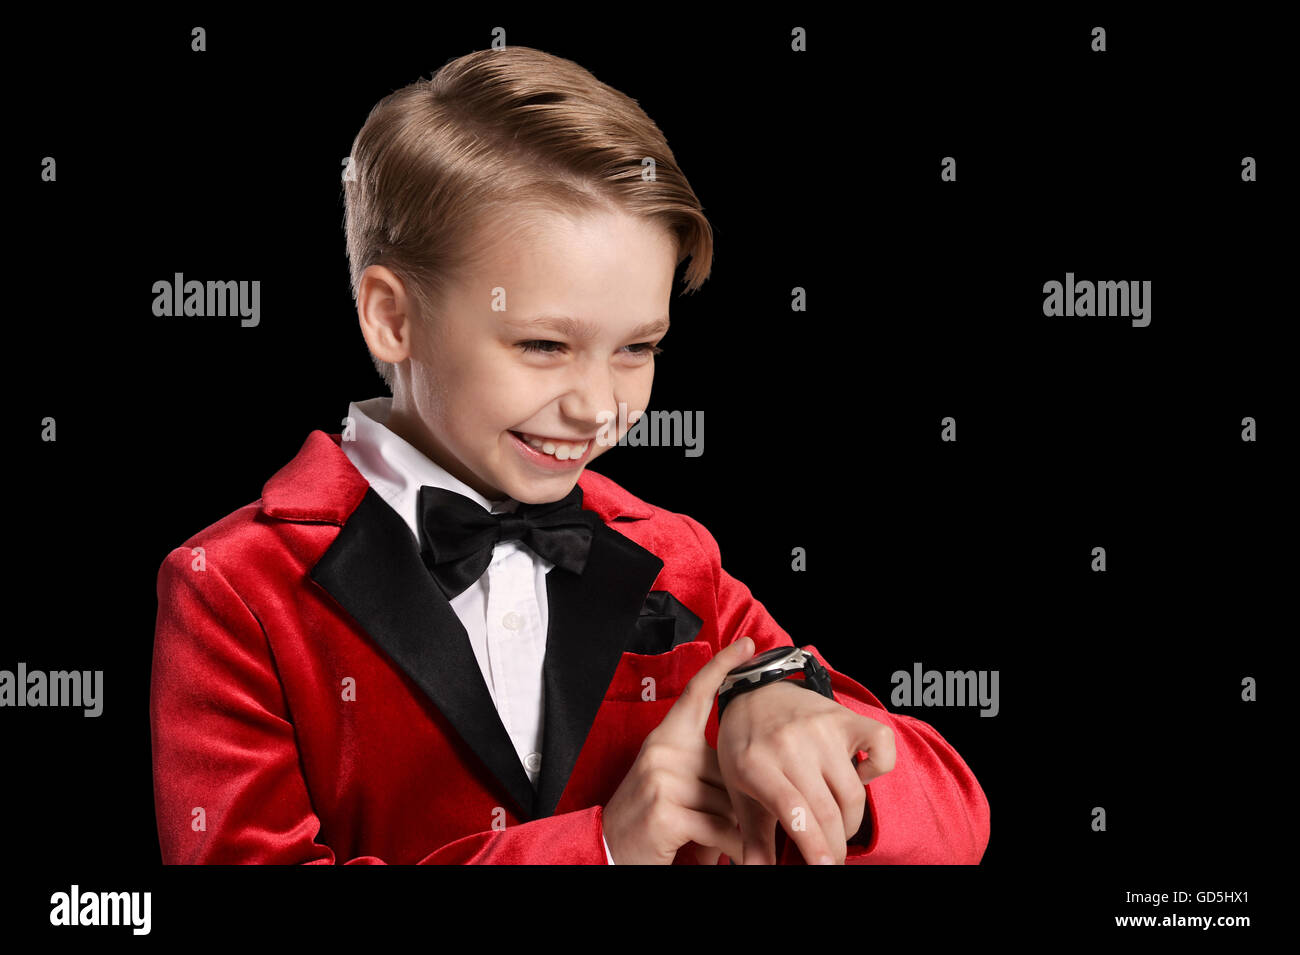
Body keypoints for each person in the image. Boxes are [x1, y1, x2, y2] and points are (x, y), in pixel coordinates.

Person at [150, 45, 990, 864]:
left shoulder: (676, 556)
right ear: (391, 318)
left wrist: (779, 700)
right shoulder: (231, 587)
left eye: (638, 347)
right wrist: (603, 847)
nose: (598, 407)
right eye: (545, 344)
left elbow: (953, 818)